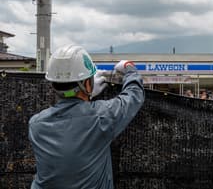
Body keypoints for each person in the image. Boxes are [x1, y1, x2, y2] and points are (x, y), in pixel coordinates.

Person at [28, 45, 145, 189]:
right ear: (87, 83)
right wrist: (129, 69)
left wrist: (86, 95)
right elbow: (134, 96)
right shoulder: (101, 117)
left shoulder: (36, 125)